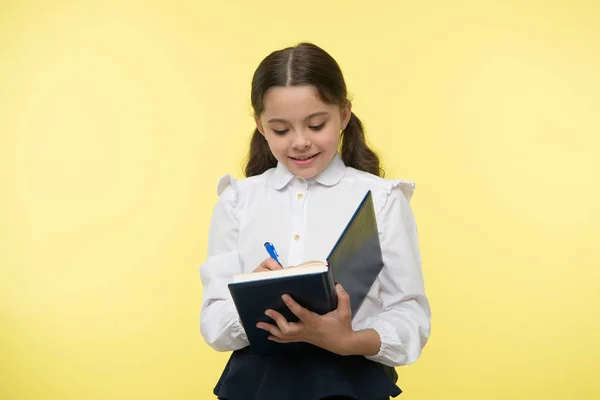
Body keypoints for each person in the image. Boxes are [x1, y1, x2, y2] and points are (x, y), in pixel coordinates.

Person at [199, 42, 431, 400]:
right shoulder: (237, 201)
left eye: (317, 124)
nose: (301, 142)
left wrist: (347, 339)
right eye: (281, 130)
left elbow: (410, 315)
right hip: (256, 384)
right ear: (260, 126)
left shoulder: (382, 200)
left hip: (349, 382)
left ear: (344, 115)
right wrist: (251, 304)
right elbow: (214, 324)